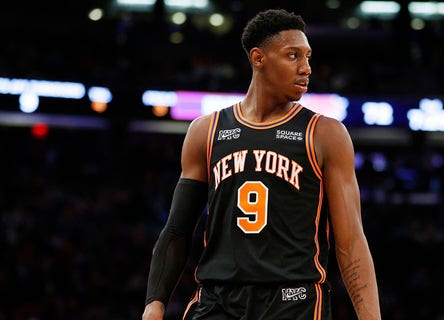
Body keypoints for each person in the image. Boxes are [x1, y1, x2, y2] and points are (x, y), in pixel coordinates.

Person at [141, 8, 381, 320]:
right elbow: (177, 228)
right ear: (258, 58)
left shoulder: (325, 133)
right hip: (218, 300)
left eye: (308, 57)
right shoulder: (206, 131)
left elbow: (350, 241)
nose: (307, 67)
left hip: (293, 300)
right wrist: (154, 303)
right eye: (293, 55)